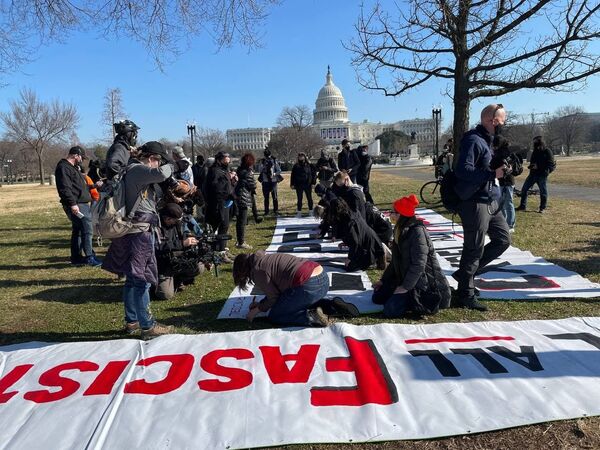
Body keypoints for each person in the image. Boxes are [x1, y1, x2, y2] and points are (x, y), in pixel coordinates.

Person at [102, 141, 175, 339]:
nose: (157, 165)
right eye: (157, 161)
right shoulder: (137, 169)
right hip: (139, 233)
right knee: (141, 279)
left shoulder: (131, 170)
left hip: (131, 231)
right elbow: (160, 174)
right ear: (152, 158)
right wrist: (172, 164)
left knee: (132, 280)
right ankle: (147, 325)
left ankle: (132, 322)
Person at [452, 104, 511, 311]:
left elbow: (487, 165)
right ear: (491, 121)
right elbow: (463, 170)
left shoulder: (490, 141)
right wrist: (492, 175)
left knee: (503, 239)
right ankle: (464, 293)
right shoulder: (473, 140)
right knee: (473, 248)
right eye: (502, 120)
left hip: (491, 200)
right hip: (475, 202)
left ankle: (465, 275)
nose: (504, 124)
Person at [372, 194, 451, 317]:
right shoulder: (399, 229)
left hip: (423, 283)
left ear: (401, 215)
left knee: (390, 311)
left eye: (393, 212)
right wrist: (383, 280)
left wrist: (405, 287)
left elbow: (419, 264)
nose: (390, 215)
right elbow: (395, 261)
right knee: (378, 297)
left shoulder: (417, 232)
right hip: (407, 277)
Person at [232, 251, 331, 327]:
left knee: (276, 315)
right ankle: (331, 306)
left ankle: (312, 317)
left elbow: (274, 297)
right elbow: (276, 291)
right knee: (287, 300)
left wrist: (257, 310)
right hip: (323, 279)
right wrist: (261, 304)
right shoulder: (264, 258)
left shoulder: (258, 271)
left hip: (308, 286)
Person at [54, 146, 102, 267]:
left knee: (78, 231)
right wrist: (73, 204)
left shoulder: (73, 168)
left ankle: (76, 258)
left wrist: (93, 186)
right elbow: (64, 188)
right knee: (87, 230)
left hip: (80, 203)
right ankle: (90, 257)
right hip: (77, 204)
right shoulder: (63, 167)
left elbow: (79, 187)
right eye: (81, 157)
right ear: (76, 155)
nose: (82, 160)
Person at [155, 203, 204, 300]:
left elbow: (183, 236)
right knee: (165, 295)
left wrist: (190, 240)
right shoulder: (155, 226)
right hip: (162, 264)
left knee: (199, 267)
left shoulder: (177, 224)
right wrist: (182, 243)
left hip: (178, 259)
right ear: (167, 219)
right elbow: (157, 246)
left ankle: (178, 279)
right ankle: (154, 283)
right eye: (175, 220)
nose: (178, 222)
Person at [328, 198, 386, 272]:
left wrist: (349, 259)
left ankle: (375, 257)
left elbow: (355, 242)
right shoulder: (350, 212)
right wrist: (346, 242)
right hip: (369, 240)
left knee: (350, 268)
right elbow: (357, 235)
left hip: (368, 245)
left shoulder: (349, 221)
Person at [205, 151, 234, 260]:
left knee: (225, 226)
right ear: (220, 159)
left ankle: (223, 249)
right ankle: (218, 252)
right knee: (219, 226)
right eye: (226, 158)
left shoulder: (223, 170)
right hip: (217, 204)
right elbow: (215, 188)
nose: (228, 160)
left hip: (225, 202)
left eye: (228, 157)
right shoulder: (214, 171)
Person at [516, 136, 556, 213]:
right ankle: (522, 206)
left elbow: (550, 164)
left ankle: (542, 207)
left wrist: (541, 168)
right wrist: (531, 166)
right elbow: (532, 161)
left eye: (536, 142)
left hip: (542, 175)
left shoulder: (547, 151)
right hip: (533, 174)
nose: (534, 144)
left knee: (543, 191)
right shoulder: (535, 151)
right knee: (524, 189)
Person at [491, 135, 522, 232]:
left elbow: (502, 165)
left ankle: (511, 224)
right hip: (502, 180)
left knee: (508, 203)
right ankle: (504, 222)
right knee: (502, 203)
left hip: (508, 181)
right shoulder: (501, 152)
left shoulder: (506, 153)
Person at [234, 153, 258, 249]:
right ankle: (241, 242)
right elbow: (253, 185)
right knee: (242, 221)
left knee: (239, 220)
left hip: (238, 195)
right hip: (243, 197)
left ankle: (239, 240)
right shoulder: (248, 173)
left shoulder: (239, 170)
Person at [258, 147, 282, 215]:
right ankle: (266, 211)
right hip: (265, 181)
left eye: (268, 156)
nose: (267, 157)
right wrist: (263, 166)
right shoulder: (262, 161)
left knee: (275, 197)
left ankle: (276, 210)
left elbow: (279, 171)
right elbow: (259, 170)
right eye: (266, 156)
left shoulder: (274, 160)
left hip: (273, 181)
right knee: (266, 197)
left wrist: (274, 173)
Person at [290, 152, 315, 217]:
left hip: (308, 184)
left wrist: (313, 183)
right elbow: (292, 175)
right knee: (299, 199)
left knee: (309, 198)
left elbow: (313, 174)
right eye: (299, 156)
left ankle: (311, 211)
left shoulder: (309, 165)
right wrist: (292, 184)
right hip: (299, 185)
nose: (301, 157)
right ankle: (299, 212)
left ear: (304, 157)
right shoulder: (296, 166)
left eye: (302, 156)